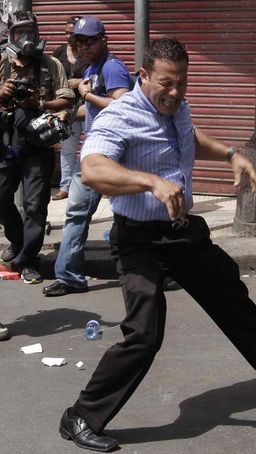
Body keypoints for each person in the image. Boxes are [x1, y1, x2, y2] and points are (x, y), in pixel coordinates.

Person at [58, 37, 256, 452]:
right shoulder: (119, 117)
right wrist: (150, 181)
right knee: (144, 333)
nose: (175, 92)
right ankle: (81, 416)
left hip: (182, 234)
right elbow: (93, 171)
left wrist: (231, 153)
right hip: (140, 239)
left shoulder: (175, 107)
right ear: (143, 76)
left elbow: (188, 138)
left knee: (234, 301)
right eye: (166, 83)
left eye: (182, 83)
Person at [42, 16, 131, 297]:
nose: (83, 46)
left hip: (110, 153)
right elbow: (93, 110)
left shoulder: (113, 67)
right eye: (78, 41)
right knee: (78, 213)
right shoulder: (93, 67)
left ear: (104, 39)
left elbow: (122, 105)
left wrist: (88, 95)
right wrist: (67, 114)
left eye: (90, 41)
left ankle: (148, 268)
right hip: (94, 150)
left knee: (124, 216)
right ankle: (70, 276)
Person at [0, 10, 75, 284]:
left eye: (30, 32)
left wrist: (40, 104)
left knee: (35, 207)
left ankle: (29, 261)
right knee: (2, 199)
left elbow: (67, 98)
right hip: (6, 146)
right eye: (20, 33)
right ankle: (17, 241)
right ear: (11, 35)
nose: (26, 38)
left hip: (36, 148)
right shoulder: (2, 62)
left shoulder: (50, 63)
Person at [51, 15, 87, 201]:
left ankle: (90, 182)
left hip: (88, 107)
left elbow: (99, 76)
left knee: (91, 147)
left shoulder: (88, 51)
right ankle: (65, 186)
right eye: (65, 33)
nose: (68, 37)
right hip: (67, 109)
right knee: (68, 149)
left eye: (71, 33)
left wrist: (80, 82)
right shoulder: (58, 53)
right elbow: (50, 76)